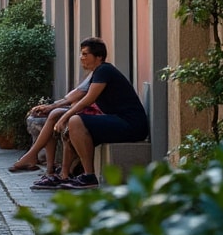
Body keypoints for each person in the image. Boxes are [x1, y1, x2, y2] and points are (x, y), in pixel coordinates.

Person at [32, 37, 149, 191]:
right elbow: (77, 95)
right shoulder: (97, 73)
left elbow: (88, 99)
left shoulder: (104, 70)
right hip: (119, 121)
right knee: (71, 128)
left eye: (85, 54)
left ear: (98, 56)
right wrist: (52, 108)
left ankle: (89, 176)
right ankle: (64, 175)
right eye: (81, 54)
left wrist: (65, 117)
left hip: (132, 125)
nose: (81, 58)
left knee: (75, 121)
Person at [9, 75, 102, 174]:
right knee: (50, 114)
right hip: (81, 108)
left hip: (91, 112)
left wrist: (52, 107)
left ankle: (34, 156)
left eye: (85, 57)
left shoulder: (101, 72)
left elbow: (79, 95)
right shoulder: (94, 73)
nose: (82, 58)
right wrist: (50, 107)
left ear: (98, 58)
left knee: (54, 113)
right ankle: (48, 168)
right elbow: (73, 95)